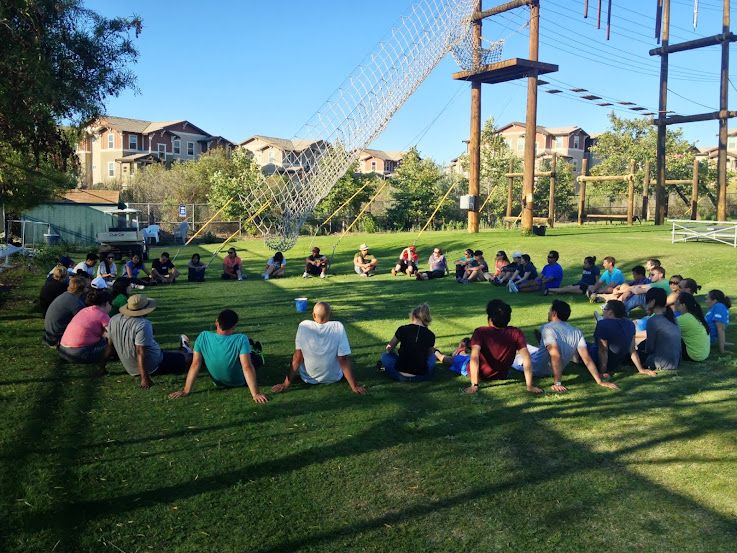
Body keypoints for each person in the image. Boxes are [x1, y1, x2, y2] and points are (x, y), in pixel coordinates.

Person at [511, 300, 619, 392]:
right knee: (526, 347)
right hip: (552, 365)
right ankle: (536, 348)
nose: (548, 313)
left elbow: (556, 356)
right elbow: (586, 358)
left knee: (514, 351)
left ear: (554, 313)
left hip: (537, 368)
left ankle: (517, 352)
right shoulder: (576, 332)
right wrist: (599, 381)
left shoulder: (547, 328)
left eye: (549, 310)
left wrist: (557, 382)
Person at [169, 309, 269, 403]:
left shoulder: (203, 336)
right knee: (254, 359)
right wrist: (255, 394)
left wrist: (186, 390)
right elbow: (247, 367)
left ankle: (251, 347)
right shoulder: (241, 339)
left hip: (217, 382)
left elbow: (195, 364)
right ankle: (259, 354)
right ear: (234, 326)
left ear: (217, 322)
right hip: (238, 381)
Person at [99, 294, 193, 389]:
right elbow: (140, 352)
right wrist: (145, 378)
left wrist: (102, 367)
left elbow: (110, 346)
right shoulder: (142, 324)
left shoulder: (114, 319)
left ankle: (184, 349)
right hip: (153, 365)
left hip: (133, 366)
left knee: (172, 354)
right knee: (193, 358)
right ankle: (189, 351)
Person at [271, 301, 366, 393]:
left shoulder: (304, 326)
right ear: (331, 314)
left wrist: (285, 384)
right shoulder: (338, 327)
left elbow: (298, 357)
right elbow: (343, 358)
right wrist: (354, 386)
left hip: (308, 378)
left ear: (313, 315)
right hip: (334, 377)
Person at [461, 299, 542, 394]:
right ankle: (462, 349)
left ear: (490, 318)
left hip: (479, 374)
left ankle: (448, 352)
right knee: (466, 357)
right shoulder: (516, 333)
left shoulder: (480, 332)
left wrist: (474, 385)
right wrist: (529, 386)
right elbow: (526, 357)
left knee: (455, 359)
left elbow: (474, 357)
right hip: (502, 374)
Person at [588, 300, 656, 377]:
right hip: (616, 362)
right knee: (589, 344)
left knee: (580, 348)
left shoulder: (603, 324)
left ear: (610, 312)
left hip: (600, 360)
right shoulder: (630, 324)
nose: (603, 312)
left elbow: (603, 350)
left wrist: (603, 372)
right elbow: (632, 350)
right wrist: (641, 369)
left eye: (605, 309)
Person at [381, 304, 438, 382]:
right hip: (421, 376)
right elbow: (429, 353)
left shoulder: (402, 329)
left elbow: (389, 348)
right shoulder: (430, 335)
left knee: (385, 356)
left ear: (413, 316)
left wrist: (395, 353)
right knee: (433, 356)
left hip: (399, 374)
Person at [58, 289, 112, 364]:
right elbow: (113, 334)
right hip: (79, 353)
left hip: (63, 350)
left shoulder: (84, 310)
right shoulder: (102, 315)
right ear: (106, 304)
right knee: (113, 347)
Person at [636, 288, 681, 371]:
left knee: (634, 353)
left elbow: (649, 348)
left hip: (660, 362)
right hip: (675, 361)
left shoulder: (653, 321)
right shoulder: (671, 317)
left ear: (652, 302)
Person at [43, 276, 88, 346]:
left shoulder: (66, 296)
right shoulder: (76, 304)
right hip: (57, 339)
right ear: (82, 289)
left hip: (49, 336)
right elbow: (86, 323)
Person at [673, 292, 711, 362]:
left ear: (682, 305)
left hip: (693, 355)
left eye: (676, 301)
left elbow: (664, 328)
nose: (674, 303)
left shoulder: (685, 319)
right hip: (702, 354)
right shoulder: (695, 315)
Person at [704, 289, 732, 354]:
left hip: (703, 339)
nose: (706, 301)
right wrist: (723, 342)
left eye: (707, 299)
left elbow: (720, 329)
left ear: (714, 301)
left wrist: (722, 350)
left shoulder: (719, 307)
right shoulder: (717, 307)